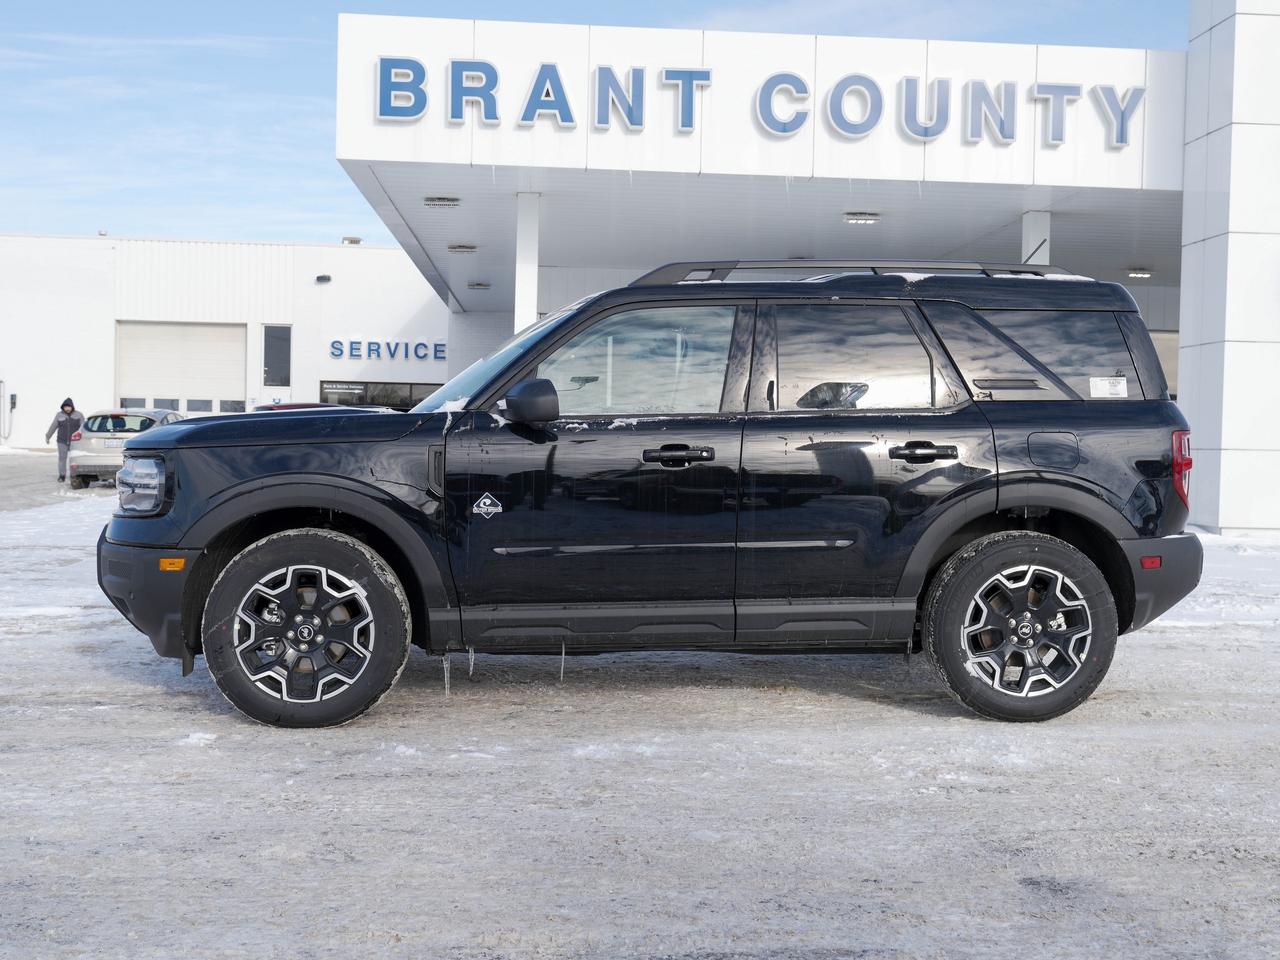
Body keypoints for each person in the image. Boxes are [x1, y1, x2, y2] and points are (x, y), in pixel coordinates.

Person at [45, 398, 85, 483]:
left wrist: (84, 439)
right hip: (62, 441)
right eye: (65, 407)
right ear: (63, 407)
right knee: (62, 459)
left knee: (74, 459)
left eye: (68, 407)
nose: (67, 409)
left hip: (75, 442)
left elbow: (83, 428)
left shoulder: (79, 415)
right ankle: (62, 475)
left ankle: (74, 475)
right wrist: (48, 436)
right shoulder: (59, 415)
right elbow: (53, 426)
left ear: (72, 407)